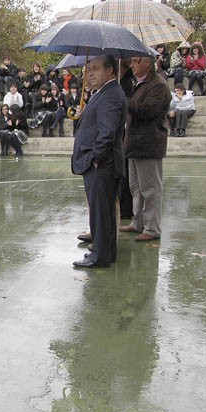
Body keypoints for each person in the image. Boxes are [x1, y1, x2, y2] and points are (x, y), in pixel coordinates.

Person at [71, 55, 127, 268]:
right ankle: (105, 252)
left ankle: (99, 256)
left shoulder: (110, 95)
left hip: (102, 165)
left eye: (95, 68)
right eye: (88, 69)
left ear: (110, 70)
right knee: (102, 212)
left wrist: (95, 158)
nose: (90, 73)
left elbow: (108, 131)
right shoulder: (102, 94)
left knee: (101, 212)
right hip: (101, 163)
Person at [121, 56, 172, 242]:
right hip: (135, 143)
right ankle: (138, 222)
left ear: (147, 63)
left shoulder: (158, 85)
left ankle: (152, 228)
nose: (132, 64)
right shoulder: (140, 84)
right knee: (136, 188)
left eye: (135, 61)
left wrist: (125, 101)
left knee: (150, 189)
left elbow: (148, 110)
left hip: (149, 143)